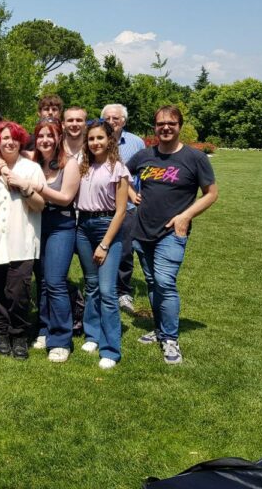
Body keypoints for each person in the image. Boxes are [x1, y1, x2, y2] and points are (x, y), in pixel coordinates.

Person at [127, 106, 218, 365]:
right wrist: (133, 195)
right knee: (153, 283)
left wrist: (186, 216)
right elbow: (121, 176)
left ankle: (170, 338)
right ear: (154, 127)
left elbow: (211, 193)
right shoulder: (144, 155)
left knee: (165, 282)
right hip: (143, 231)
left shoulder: (195, 158)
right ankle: (159, 329)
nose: (165, 128)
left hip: (172, 233)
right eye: (160, 124)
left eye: (171, 123)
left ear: (179, 126)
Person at [0, 121, 44, 359]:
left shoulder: (31, 168)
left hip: (21, 239)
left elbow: (40, 205)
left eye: (14, 138)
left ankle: (19, 333)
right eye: (4, 138)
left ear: (20, 141)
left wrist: (23, 186)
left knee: (19, 293)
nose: (9, 142)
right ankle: (2, 331)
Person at [75, 119, 130, 369]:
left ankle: (111, 348)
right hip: (83, 226)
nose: (95, 143)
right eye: (91, 139)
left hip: (107, 226)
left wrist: (105, 244)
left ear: (109, 140)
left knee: (108, 291)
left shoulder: (117, 168)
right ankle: (92, 334)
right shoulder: (82, 166)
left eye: (100, 138)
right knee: (92, 285)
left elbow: (121, 211)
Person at [31, 119, 80, 362]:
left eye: (50, 136)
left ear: (58, 138)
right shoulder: (33, 162)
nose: (45, 141)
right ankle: (44, 329)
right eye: (40, 136)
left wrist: (36, 187)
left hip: (61, 224)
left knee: (55, 281)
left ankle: (61, 339)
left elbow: (65, 198)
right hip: (37, 223)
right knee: (41, 280)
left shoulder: (68, 164)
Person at [100, 103, 146, 315]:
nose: (111, 122)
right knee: (101, 248)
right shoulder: (96, 140)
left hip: (127, 206)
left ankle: (123, 290)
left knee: (126, 250)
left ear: (123, 121)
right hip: (101, 207)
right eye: (107, 118)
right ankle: (103, 288)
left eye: (115, 119)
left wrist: (142, 195)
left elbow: (145, 171)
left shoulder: (136, 143)